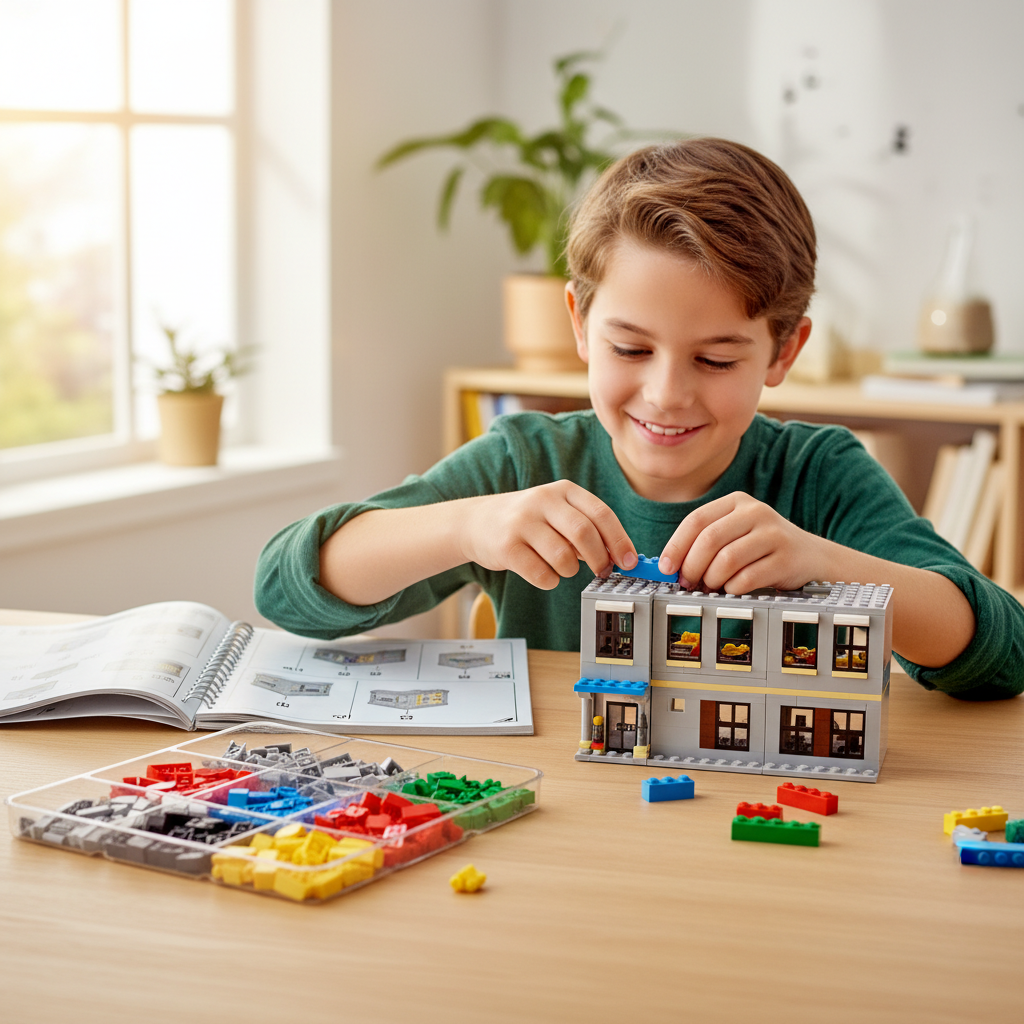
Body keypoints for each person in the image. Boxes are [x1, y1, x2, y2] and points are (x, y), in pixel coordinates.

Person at [255, 138, 1024, 700]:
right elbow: (288, 591)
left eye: (716, 360)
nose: (665, 394)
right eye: (630, 347)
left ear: (784, 351)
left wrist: (825, 563)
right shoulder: (524, 465)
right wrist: (467, 527)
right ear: (581, 326)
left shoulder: (816, 475)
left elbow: (1003, 650)